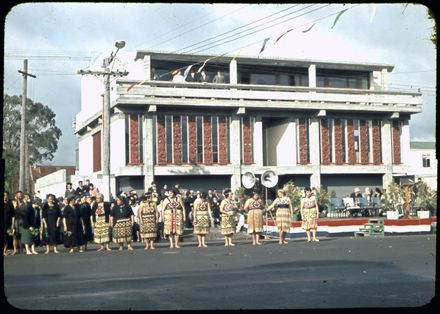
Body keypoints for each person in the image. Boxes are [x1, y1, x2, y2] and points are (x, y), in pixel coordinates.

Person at [4, 191, 15, 256]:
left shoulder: (10, 204)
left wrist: (13, 224)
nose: (5, 196)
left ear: (8, 196)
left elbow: (13, 215)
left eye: (6, 195)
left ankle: (4, 250)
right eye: (4, 195)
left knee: (6, 237)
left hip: (7, 223)